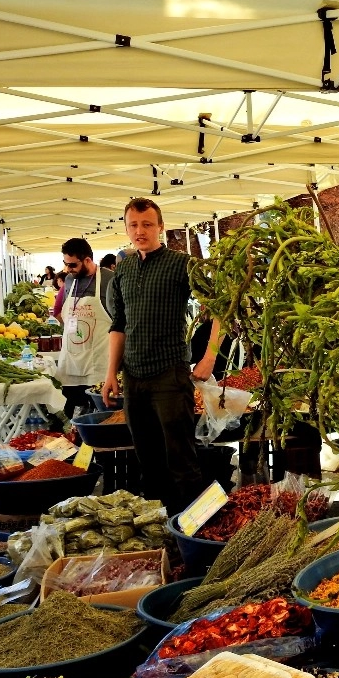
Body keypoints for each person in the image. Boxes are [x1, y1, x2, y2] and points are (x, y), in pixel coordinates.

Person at [102, 198, 219, 513]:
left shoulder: (182, 264)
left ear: (160, 227)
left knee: (181, 460)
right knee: (148, 461)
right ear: (126, 227)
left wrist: (210, 357)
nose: (140, 231)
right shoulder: (123, 269)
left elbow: (220, 306)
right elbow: (119, 325)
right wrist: (112, 373)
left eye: (147, 224)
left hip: (170, 374)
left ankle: (192, 530)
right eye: (134, 225)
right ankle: (160, 529)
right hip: (134, 379)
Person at [55, 238, 113, 420]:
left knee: (101, 415)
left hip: (98, 363)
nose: (67, 269)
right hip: (71, 360)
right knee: (73, 414)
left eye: (72, 265)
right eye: (65, 264)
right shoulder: (70, 282)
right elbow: (61, 313)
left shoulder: (110, 280)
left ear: (87, 260)